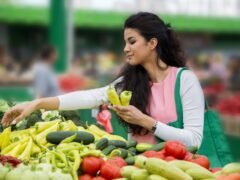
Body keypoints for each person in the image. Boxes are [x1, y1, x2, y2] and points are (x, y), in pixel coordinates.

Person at [1, 12, 204, 147]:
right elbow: (90, 97)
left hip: (176, 170)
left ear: (152, 43)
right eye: (125, 42)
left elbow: (194, 141)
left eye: (132, 41)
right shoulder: (130, 82)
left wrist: (144, 120)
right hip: (136, 169)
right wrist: (38, 103)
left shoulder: (185, 81)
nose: (125, 48)